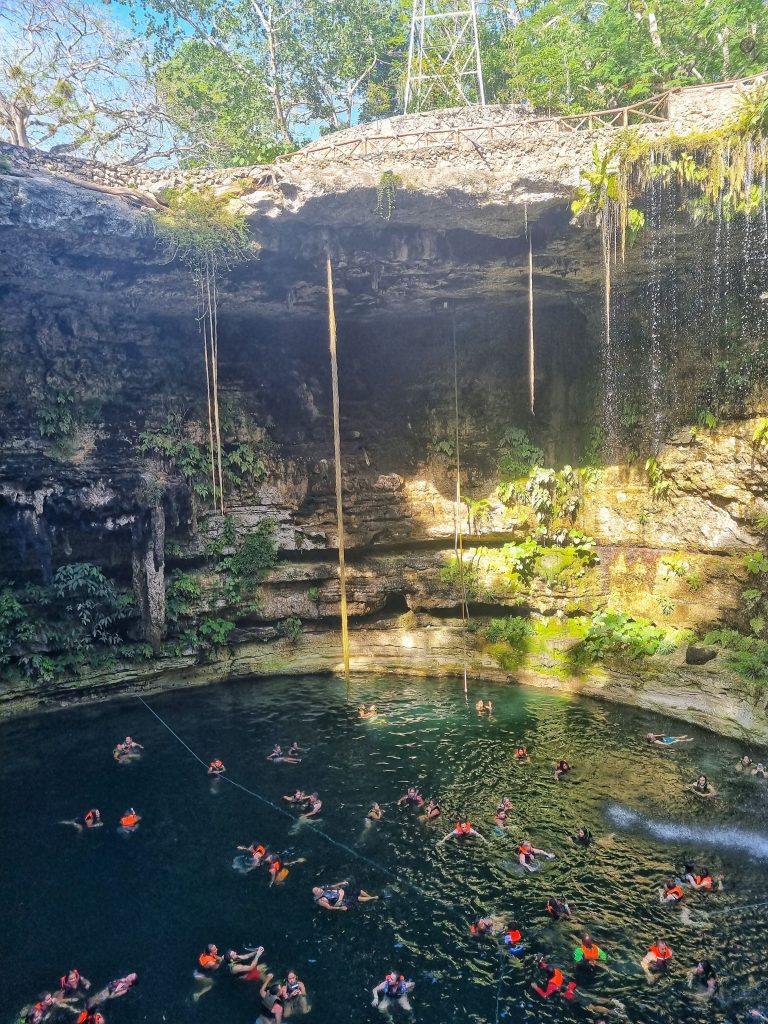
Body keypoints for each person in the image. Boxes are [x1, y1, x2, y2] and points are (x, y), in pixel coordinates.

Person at [312, 881, 378, 910]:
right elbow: (329, 907)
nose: (319, 889)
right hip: (341, 900)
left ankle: (370, 896)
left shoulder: (324, 888)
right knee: (358, 898)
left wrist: (342, 883)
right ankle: (374, 898)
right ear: (316, 894)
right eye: (317, 891)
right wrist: (340, 908)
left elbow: (334, 886)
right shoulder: (321, 900)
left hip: (343, 892)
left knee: (359, 891)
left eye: (318, 888)